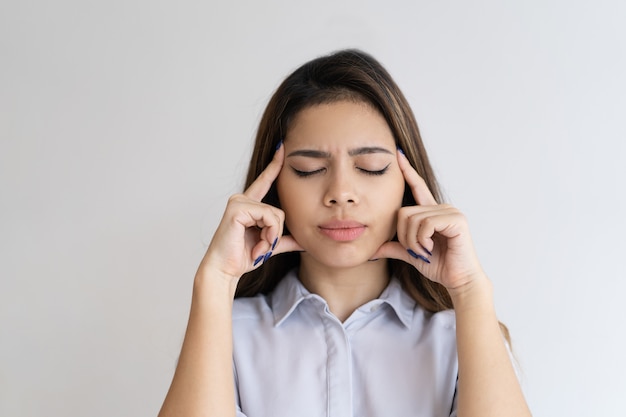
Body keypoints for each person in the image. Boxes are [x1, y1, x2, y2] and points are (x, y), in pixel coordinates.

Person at [158, 49, 532, 417]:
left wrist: (470, 290)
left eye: (370, 167)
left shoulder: (459, 336)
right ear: (274, 188)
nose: (340, 192)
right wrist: (215, 280)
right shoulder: (227, 334)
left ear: (406, 181)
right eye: (308, 169)